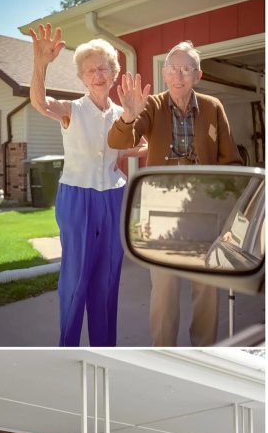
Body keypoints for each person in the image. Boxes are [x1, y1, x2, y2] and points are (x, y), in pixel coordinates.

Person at [108, 38, 240, 346]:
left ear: (198, 75)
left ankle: (204, 352)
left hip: (204, 211)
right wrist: (128, 115)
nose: (178, 76)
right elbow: (119, 141)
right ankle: (164, 353)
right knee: (164, 290)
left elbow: (230, 162)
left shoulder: (212, 107)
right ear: (164, 73)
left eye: (186, 69)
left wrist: (229, 217)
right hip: (162, 213)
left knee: (207, 289)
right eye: (172, 69)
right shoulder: (151, 105)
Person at [29, 23, 126, 345]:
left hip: (113, 196)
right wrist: (40, 64)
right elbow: (40, 103)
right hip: (77, 197)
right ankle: (67, 345)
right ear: (82, 78)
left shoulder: (125, 114)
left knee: (108, 277)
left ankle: (105, 348)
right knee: (77, 276)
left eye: (103, 68)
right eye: (90, 70)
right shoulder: (71, 109)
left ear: (113, 72)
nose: (97, 74)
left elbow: (130, 147)